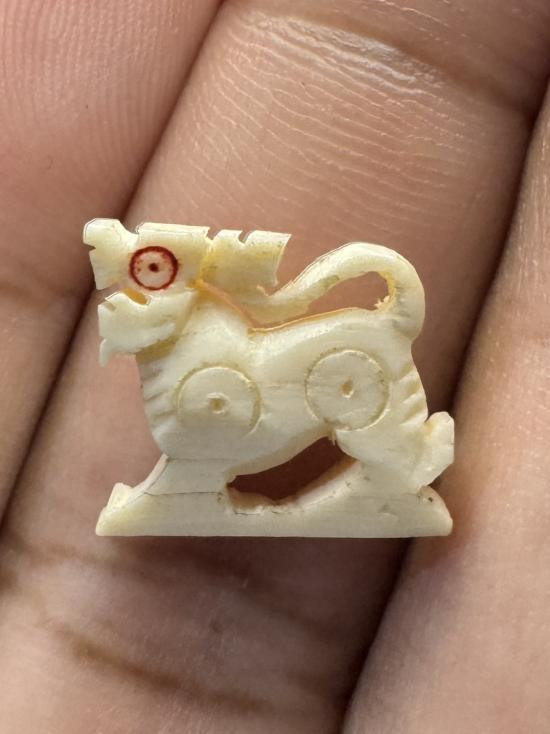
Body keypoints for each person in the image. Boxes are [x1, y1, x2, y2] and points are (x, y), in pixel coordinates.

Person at [0, 1, 548, 731]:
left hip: (344, 363)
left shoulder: (217, 333)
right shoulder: (188, 333)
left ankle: (403, 465)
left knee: (305, 409)